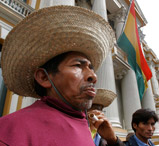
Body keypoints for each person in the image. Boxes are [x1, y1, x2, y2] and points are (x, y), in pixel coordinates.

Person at [0, 5, 118, 146]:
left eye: (91, 68)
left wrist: (113, 141)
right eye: (77, 66)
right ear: (44, 78)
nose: (93, 76)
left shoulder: (84, 125)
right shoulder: (10, 131)